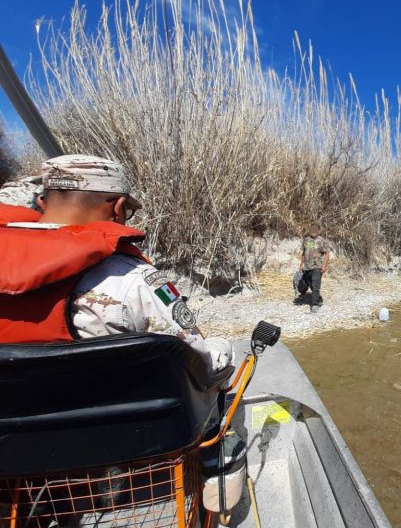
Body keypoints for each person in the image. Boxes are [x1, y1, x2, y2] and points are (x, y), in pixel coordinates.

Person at [0, 154, 232, 371]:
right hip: (106, 409)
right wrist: (221, 348)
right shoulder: (130, 279)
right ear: (118, 207)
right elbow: (199, 363)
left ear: (43, 203)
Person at [297, 222, 330, 313]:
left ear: (319, 231)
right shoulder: (306, 240)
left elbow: (327, 254)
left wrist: (324, 266)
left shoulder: (322, 241)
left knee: (316, 285)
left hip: (317, 266)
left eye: (316, 229)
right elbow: (304, 253)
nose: (313, 231)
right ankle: (318, 297)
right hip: (307, 267)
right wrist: (301, 264)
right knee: (308, 284)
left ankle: (315, 304)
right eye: (312, 229)